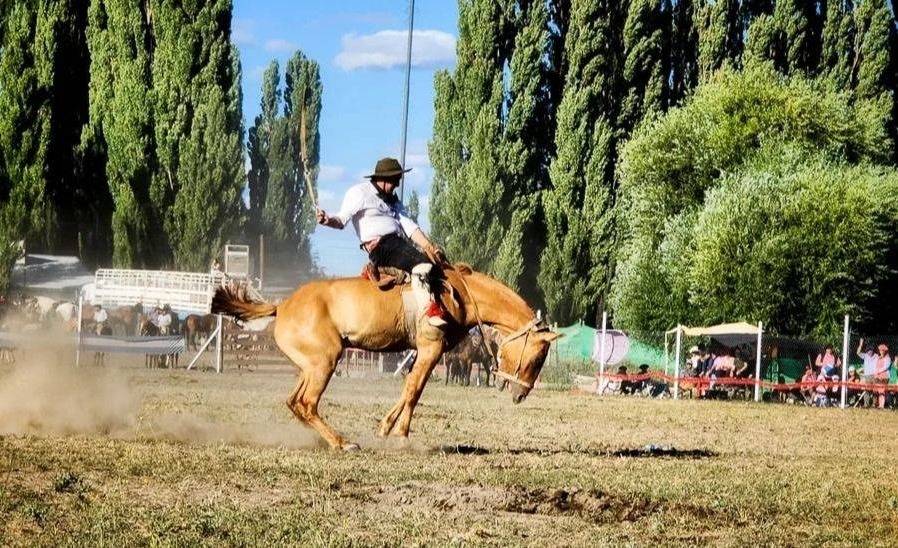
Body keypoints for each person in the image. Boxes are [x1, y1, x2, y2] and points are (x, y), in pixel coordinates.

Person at [316, 157, 448, 327]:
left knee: (435, 268)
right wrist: (327, 219)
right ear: (385, 179)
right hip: (382, 247)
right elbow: (341, 220)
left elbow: (410, 228)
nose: (398, 185)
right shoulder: (359, 193)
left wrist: (430, 247)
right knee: (423, 266)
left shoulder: (394, 201)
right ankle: (430, 311)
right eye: (396, 180)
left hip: (398, 244)